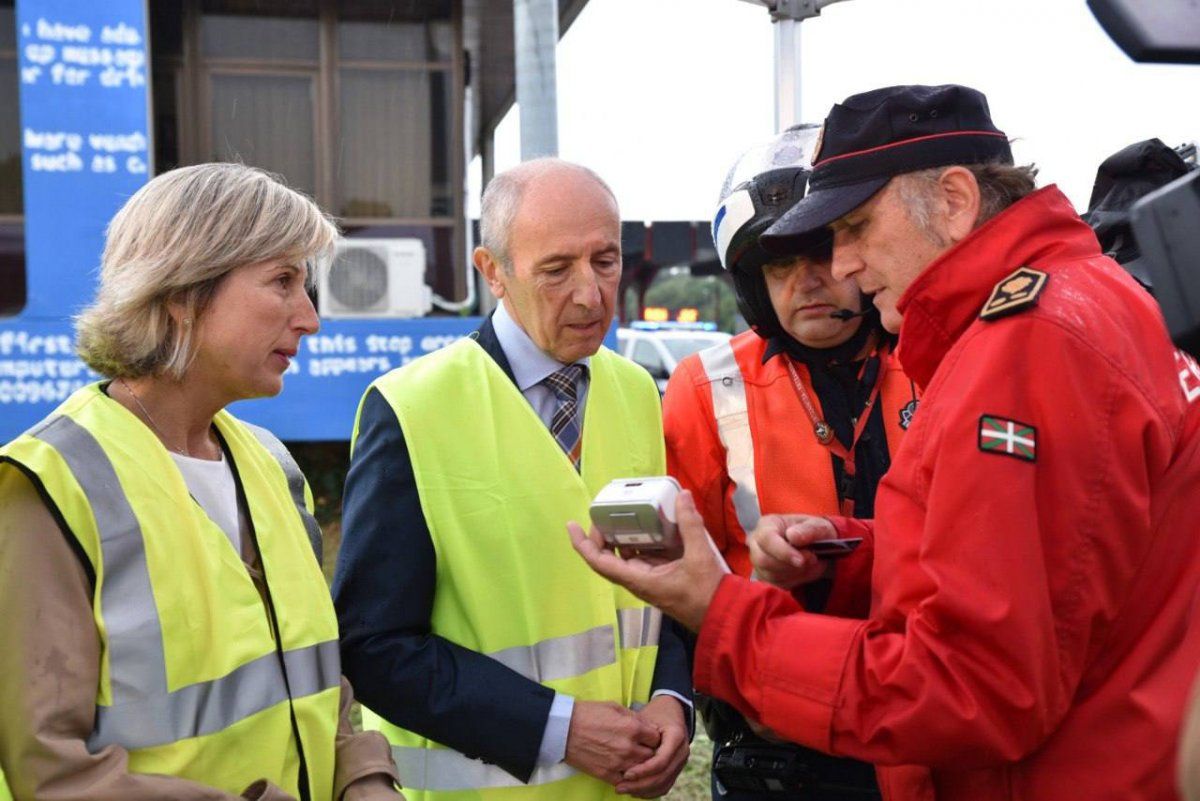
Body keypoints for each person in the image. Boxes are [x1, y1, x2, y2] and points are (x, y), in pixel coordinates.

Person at [570, 84, 1200, 801]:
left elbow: (970, 688)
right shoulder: (1087, 294)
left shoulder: (1024, 350)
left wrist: (725, 616)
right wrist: (850, 556)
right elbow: (1063, 562)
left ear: (957, 200)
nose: (838, 267)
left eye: (857, 227)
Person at [0, 163, 403, 801]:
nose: (309, 318)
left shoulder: (271, 464)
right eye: (282, 282)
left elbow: (318, 684)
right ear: (183, 293)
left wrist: (366, 781)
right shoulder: (46, 485)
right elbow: (54, 775)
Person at [333, 158, 693, 801]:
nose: (590, 294)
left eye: (605, 261)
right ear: (492, 271)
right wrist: (558, 729)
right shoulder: (412, 409)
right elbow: (374, 648)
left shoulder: (637, 390)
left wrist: (672, 699)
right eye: (556, 270)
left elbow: (664, 587)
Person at [664, 125, 917, 800]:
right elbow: (681, 572)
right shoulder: (706, 386)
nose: (804, 283)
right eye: (778, 267)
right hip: (773, 728)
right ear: (753, 284)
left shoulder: (935, 358)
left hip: (919, 704)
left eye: (821, 256)